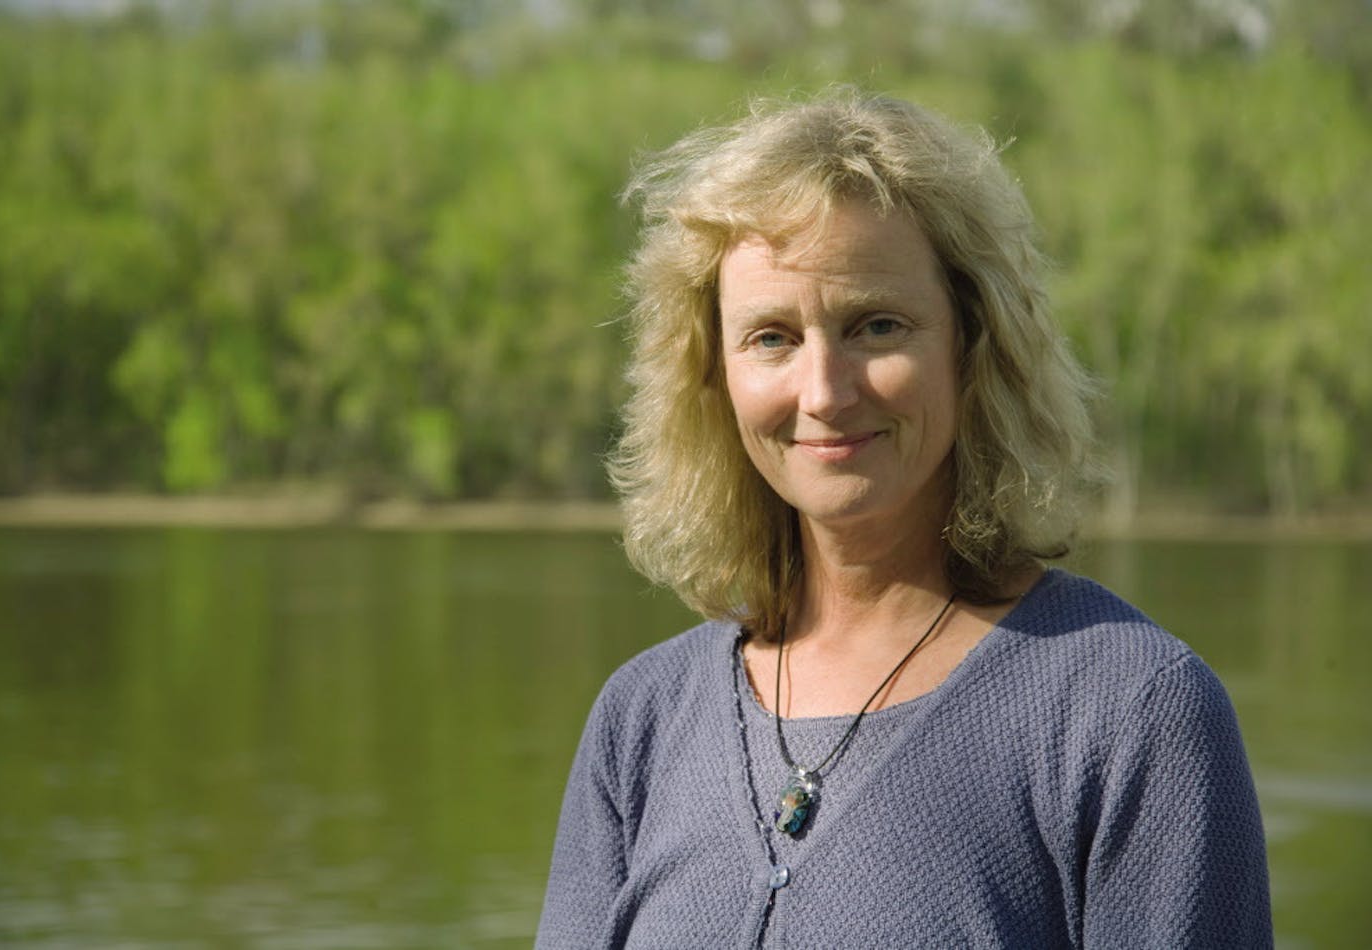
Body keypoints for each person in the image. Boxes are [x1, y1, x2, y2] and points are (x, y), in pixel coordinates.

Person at [537, 89, 1271, 949]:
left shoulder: (1132, 712)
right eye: (771, 337)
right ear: (713, 375)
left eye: (875, 326)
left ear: (973, 344)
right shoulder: (642, 719)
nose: (823, 392)